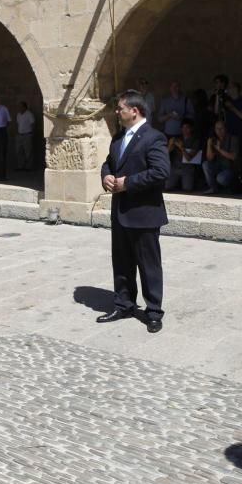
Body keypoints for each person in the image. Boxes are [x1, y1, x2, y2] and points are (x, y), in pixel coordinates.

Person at [98, 89, 170, 333]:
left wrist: (127, 183)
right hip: (120, 213)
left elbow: (161, 172)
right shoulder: (118, 138)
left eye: (120, 108)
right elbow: (108, 162)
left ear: (134, 111)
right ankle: (124, 303)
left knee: (148, 265)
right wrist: (106, 175)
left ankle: (153, 312)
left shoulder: (154, 137)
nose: (117, 112)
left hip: (144, 212)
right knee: (122, 262)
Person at [166, 119, 203, 192]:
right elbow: (165, 154)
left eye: (187, 128)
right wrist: (170, 145)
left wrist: (181, 147)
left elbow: (189, 158)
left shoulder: (195, 141)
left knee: (187, 189)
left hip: (187, 169)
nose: (185, 130)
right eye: (183, 128)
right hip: (175, 168)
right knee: (167, 187)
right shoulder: (177, 138)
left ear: (191, 129)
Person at [203, 119, 238, 194]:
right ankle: (213, 188)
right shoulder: (214, 140)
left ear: (225, 129)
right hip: (218, 166)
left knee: (221, 179)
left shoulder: (233, 139)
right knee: (205, 164)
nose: (219, 131)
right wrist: (209, 145)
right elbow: (209, 159)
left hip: (229, 167)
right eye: (217, 128)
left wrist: (220, 150)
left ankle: (228, 186)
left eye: (221, 128)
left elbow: (233, 157)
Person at [15, 101, 36, 170]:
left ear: (24, 107)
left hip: (27, 135)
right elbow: (18, 124)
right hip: (20, 135)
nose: (19, 108)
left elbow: (33, 123)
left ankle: (29, 167)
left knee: (28, 151)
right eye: (18, 107)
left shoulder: (29, 114)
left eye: (21, 106)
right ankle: (20, 166)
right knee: (19, 151)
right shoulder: (18, 115)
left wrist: (32, 133)